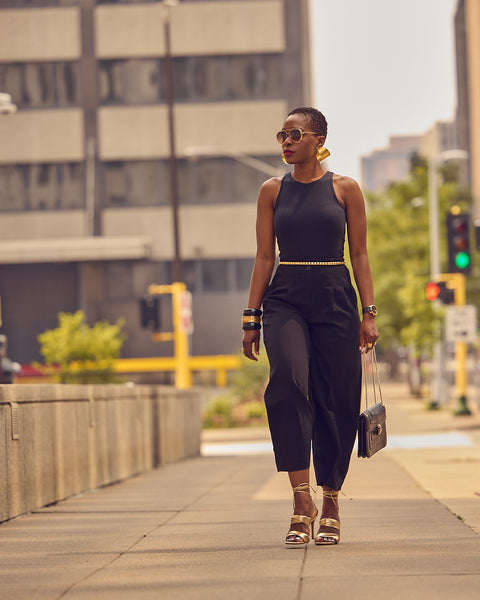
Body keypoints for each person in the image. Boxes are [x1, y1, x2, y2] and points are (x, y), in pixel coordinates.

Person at [241, 107, 379, 547]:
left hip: (336, 298)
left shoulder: (345, 189)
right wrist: (252, 318)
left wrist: (369, 312)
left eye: (294, 133)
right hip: (286, 298)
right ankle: (302, 501)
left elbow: (359, 254)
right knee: (287, 381)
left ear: (317, 140)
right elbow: (265, 258)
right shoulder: (271, 191)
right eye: (282, 134)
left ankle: (331, 499)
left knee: (336, 399)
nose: (285, 140)